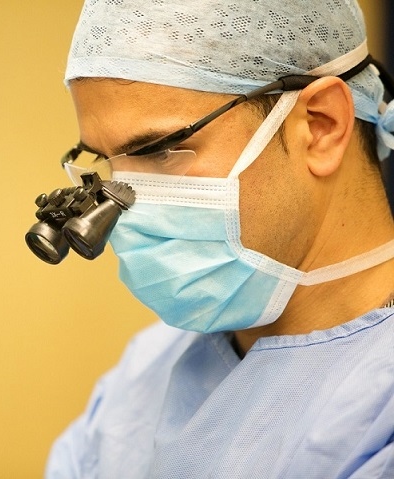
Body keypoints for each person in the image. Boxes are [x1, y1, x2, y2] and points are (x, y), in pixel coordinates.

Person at [44, 1, 394, 477]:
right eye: (105, 163)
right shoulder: (142, 379)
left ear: (321, 126)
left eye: (159, 150)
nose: (124, 205)